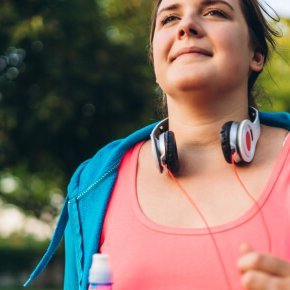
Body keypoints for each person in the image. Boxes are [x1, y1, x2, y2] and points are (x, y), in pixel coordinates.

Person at [25, 0, 290, 289]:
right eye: (169, 19)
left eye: (215, 12)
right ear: (155, 58)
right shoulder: (94, 183)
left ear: (256, 54)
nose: (186, 26)